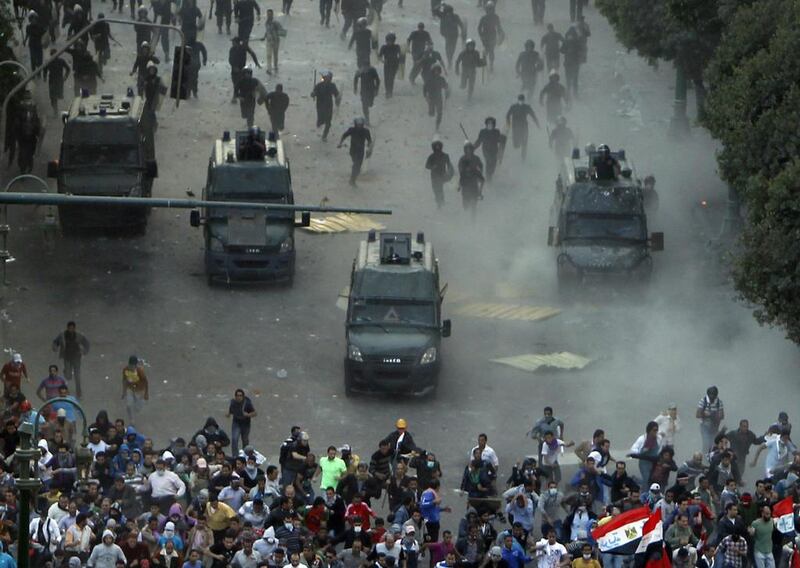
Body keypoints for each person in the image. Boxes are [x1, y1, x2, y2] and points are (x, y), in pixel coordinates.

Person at [338, 118, 373, 187]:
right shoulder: (352, 130)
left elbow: (369, 140)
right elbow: (344, 135)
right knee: (356, 165)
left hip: (361, 151)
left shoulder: (366, 131)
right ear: (355, 124)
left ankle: (353, 179)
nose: (359, 126)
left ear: (362, 125)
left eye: (360, 125)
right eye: (358, 125)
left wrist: (369, 148)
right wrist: (340, 143)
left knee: (357, 166)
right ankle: (352, 180)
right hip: (353, 150)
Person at [505, 95, 540, 161]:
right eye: (520, 100)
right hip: (515, 127)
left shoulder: (527, 107)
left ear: (524, 101)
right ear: (518, 100)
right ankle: (517, 145)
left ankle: (523, 157)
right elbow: (507, 115)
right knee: (516, 144)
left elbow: (533, 115)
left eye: (522, 100)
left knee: (524, 142)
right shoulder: (513, 107)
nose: (521, 101)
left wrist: (537, 124)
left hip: (524, 127)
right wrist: (508, 124)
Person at [311, 71, 341, 142]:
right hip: (320, 105)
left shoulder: (332, 85)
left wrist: (338, 99)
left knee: (328, 122)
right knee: (321, 121)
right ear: (324, 78)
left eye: (329, 78)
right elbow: (313, 94)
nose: (328, 79)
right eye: (327, 78)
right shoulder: (318, 85)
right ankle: (320, 122)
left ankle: (324, 136)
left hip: (328, 106)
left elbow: (336, 95)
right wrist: (313, 94)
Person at [229, 37, 261, 102]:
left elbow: (252, 53)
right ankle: (236, 95)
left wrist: (256, 62)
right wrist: (234, 66)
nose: (232, 43)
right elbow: (230, 59)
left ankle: (237, 96)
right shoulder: (232, 49)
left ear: (237, 42)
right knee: (235, 82)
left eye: (233, 42)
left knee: (240, 82)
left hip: (242, 68)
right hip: (234, 69)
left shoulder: (244, 47)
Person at [458, 142, 484, 221]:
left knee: (473, 207)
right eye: (467, 149)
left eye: (470, 149)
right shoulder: (462, 159)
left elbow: (481, 168)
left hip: (474, 188)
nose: (468, 150)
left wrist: (480, 191)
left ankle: (473, 221)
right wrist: (459, 185)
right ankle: (466, 220)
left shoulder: (476, 159)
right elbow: (460, 169)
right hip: (465, 187)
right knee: (466, 206)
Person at [473, 118, 506, 182]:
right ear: (486, 124)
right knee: (489, 162)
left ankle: (490, 175)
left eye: (491, 123)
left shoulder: (496, 132)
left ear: (494, 125)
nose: (490, 125)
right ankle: (488, 179)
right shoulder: (483, 132)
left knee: (493, 166)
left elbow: (499, 140)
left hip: (494, 151)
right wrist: (473, 147)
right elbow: (479, 141)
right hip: (486, 151)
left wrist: (502, 139)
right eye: (488, 123)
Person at [425, 140, 454, 209]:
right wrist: (432, 166)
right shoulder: (431, 156)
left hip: (442, 175)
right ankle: (440, 201)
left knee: (439, 188)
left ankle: (440, 202)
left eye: (438, 147)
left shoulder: (445, 156)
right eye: (436, 147)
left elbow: (449, 165)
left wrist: (450, 173)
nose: (437, 148)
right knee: (435, 189)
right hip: (434, 176)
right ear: (434, 147)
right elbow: (427, 166)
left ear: (441, 147)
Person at [435, 4, 465, 69]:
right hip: (447, 35)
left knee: (451, 49)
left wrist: (462, 32)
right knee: (448, 48)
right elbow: (435, 10)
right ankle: (449, 60)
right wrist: (440, 5)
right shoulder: (443, 15)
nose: (449, 13)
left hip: (454, 35)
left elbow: (461, 24)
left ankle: (450, 60)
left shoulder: (454, 16)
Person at [228, 389, 256, 455]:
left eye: (240, 396)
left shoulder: (247, 404)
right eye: (237, 396)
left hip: (245, 424)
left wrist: (248, 415)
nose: (239, 397)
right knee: (234, 439)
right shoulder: (233, 403)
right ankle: (235, 456)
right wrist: (228, 414)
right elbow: (231, 411)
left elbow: (255, 413)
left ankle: (245, 456)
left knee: (245, 441)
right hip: (236, 423)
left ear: (243, 396)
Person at [697, 386, 725, 454]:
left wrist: (710, 415)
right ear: (708, 394)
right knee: (706, 443)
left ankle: (710, 460)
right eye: (711, 395)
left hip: (715, 427)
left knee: (713, 444)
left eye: (714, 395)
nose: (712, 397)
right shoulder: (703, 401)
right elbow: (698, 415)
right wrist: (705, 414)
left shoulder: (719, 402)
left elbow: (722, 416)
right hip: (705, 426)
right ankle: (704, 459)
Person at [122, 355, 149, 425]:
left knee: (138, 408)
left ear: (136, 365)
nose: (131, 367)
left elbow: (146, 381)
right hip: (130, 388)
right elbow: (124, 379)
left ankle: (139, 404)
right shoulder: (125, 370)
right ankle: (131, 419)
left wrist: (146, 393)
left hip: (139, 390)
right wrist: (124, 391)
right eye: (130, 365)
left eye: (133, 366)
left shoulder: (140, 371)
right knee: (128, 405)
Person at [477, 2, 503, 72]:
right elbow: (479, 28)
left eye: (491, 9)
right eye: (488, 10)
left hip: (492, 36)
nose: (490, 11)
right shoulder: (483, 18)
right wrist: (481, 35)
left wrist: (501, 35)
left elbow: (499, 27)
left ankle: (491, 64)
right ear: (486, 10)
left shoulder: (496, 17)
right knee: (487, 49)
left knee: (491, 50)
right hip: (485, 36)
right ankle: (485, 61)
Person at [43, 50, 71, 116]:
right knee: (53, 97)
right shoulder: (49, 62)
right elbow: (45, 70)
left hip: (58, 81)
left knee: (56, 96)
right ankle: (55, 110)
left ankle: (58, 109)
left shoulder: (61, 61)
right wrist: (44, 77)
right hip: (53, 81)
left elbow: (68, 69)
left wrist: (65, 77)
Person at [259, 9, 286, 75]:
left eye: (270, 14)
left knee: (275, 55)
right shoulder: (266, 23)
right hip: (269, 41)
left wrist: (276, 33)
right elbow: (267, 31)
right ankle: (269, 69)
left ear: (272, 15)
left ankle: (275, 66)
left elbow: (282, 31)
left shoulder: (275, 22)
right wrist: (264, 37)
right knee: (268, 55)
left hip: (276, 41)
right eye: (268, 14)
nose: (269, 16)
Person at [423, 66, 449, 130]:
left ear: (440, 71)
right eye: (435, 71)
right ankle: (429, 126)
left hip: (439, 98)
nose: (436, 72)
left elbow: (446, 87)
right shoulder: (429, 79)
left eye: (438, 71)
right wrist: (425, 97)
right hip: (431, 98)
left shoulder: (441, 79)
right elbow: (424, 88)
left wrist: (447, 88)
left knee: (439, 113)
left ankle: (437, 125)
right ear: (433, 71)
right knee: (431, 113)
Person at [378, 33, 401, 98]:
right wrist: (383, 61)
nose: (389, 42)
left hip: (394, 65)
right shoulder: (384, 47)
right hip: (387, 64)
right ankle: (387, 91)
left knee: (391, 78)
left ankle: (390, 91)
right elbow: (379, 56)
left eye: (391, 41)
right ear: (386, 40)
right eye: (388, 40)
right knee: (386, 78)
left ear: (394, 41)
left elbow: (401, 56)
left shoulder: (397, 46)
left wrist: (400, 65)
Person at [561, 27, 582, 98]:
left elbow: (561, 50)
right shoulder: (577, 42)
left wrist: (567, 50)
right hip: (574, 63)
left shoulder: (566, 42)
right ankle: (574, 94)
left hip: (568, 63)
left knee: (568, 79)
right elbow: (581, 50)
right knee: (575, 79)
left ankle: (569, 93)